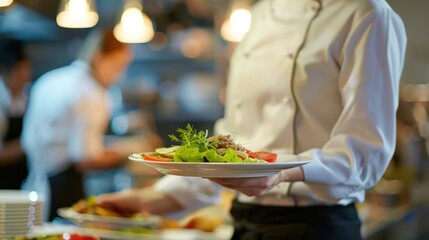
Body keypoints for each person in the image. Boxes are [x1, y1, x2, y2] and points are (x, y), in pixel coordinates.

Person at [97, 0, 407, 239]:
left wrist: (284, 173)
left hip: (316, 227)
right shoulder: (259, 13)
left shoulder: (368, 15)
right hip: (245, 222)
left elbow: (366, 153)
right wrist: (150, 199)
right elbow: (231, 143)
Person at [21, 29, 133, 221]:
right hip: (62, 190)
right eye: (117, 66)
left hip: (31, 186)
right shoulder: (91, 93)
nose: (119, 75)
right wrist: (130, 153)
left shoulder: (51, 79)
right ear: (99, 57)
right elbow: (86, 159)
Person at [0, 40, 31, 189]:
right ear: (4, 71)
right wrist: (30, 143)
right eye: (19, 75)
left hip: (21, 180)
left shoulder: (24, 95)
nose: (23, 80)